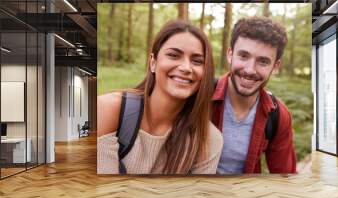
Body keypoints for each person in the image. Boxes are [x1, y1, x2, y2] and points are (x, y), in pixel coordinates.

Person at [97, 20, 223, 174]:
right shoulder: (108, 109)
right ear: (153, 62)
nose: (185, 68)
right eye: (173, 55)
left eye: (197, 61)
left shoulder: (209, 139)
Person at [213, 17, 297, 174]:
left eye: (263, 61)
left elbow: (285, 177)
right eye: (243, 56)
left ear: (276, 66)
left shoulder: (278, 115)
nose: (250, 70)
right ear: (230, 54)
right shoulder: (200, 96)